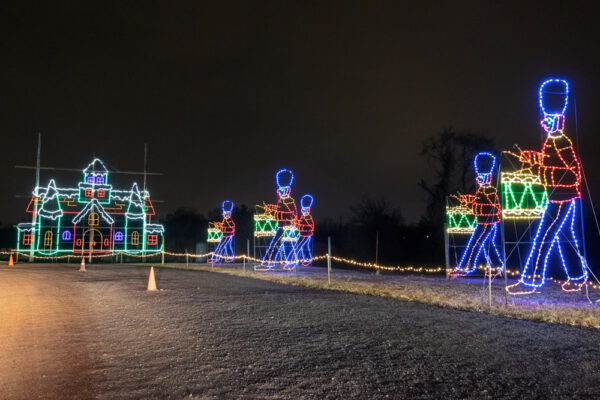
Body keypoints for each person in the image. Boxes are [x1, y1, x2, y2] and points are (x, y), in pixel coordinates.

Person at [507, 79, 587, 294]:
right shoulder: (552, 142)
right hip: (558, 196)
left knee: (543, 237)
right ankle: (577, 276)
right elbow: (548, 160)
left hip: (564, 196)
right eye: (544, 120)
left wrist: (543, 170)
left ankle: (531, 280)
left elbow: (573, 172)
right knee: (565, 237)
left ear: (558, 120)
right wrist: (532, 159)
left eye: (548, 120)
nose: (544, 124)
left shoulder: (562, 142)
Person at [452, 152, 503, 276]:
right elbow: (476, 204)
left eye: (480, 178)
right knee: (487, 244)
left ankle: (467, 267)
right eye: (478, 177)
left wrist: (472, 204)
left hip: (487, 222)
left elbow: (489, 206)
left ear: (487, 178)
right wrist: (468, 201)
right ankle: (498, 267)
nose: (478, 180)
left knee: (475, 243)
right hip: (485, 221)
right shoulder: (482, 190)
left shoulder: (489, 191)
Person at [261, 169, 298, 269]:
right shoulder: (282, 201)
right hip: (282, 226)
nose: (279, 192)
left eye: (281, 190)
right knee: (280, 244)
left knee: (281, 244)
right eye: (279, 190)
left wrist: (272, 211)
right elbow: (279, 211)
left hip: (287, 227)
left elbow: (286, 215)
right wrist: (271, 208)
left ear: (287, 190)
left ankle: (270, 262)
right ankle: (273, 262)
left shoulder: (290, 201)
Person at [294, 194, 315, 266]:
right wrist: (297, 224)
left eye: (305, 209)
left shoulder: (308, 217)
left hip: (306, 235)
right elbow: (300, 225)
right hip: (302, 234)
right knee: (304, 247)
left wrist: (300, 225)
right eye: (302, 209)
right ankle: (305, 260)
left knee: (298, 247)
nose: (303, 211)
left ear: (308, 210)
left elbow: (309, 226)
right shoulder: (303, 217)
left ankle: (295, 260)